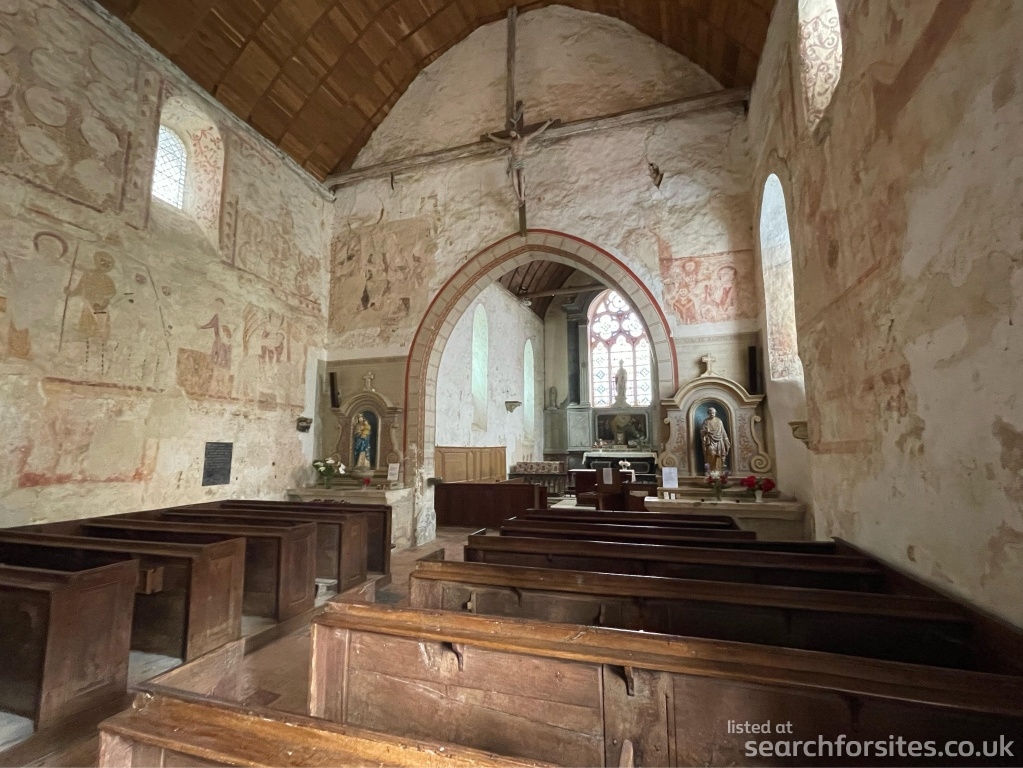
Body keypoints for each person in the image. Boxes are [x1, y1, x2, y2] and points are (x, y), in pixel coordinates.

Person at [701, 407, 731, 472]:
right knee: (711, 453)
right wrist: (705, 431)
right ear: (708, 413)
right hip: (710, 441)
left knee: (720, 455)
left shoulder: (719, 421)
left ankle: (719, 470)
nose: (712, 414)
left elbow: (723, 431)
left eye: (713, 413)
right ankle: (711, 470)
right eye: (710, 413)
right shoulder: (706, 421)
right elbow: (701, 432)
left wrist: (726, 439)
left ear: (715, 413)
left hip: (719, 440)